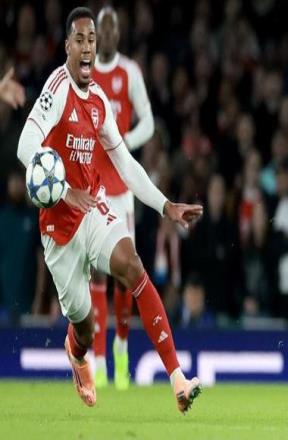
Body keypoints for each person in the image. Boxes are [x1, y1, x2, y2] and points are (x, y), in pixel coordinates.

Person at [16, 7, 202, 413]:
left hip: (92, 208)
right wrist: (63, 191)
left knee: (131, 264)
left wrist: (165, 205)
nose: (87, 47)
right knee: (83, 326)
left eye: (92, 40)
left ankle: (177, 378)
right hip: (59, 229)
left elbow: (125, 164)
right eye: (79, 40)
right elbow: (25, 145)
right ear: (67, 47)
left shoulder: (100, 100)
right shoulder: (57, 89)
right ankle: (76, 351)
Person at [89, 5, 155, 391]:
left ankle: (122, 345)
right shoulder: (84, 73)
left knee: (126, 276)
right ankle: (99, 360)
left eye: (114, 29)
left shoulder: (129, 72)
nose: (109, 35)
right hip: (93, 187)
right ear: (97, 33)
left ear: (119, 34)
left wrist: (126, 140)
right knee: (96, 271)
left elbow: (149, 121)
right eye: (104, 29)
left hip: (123, 189)